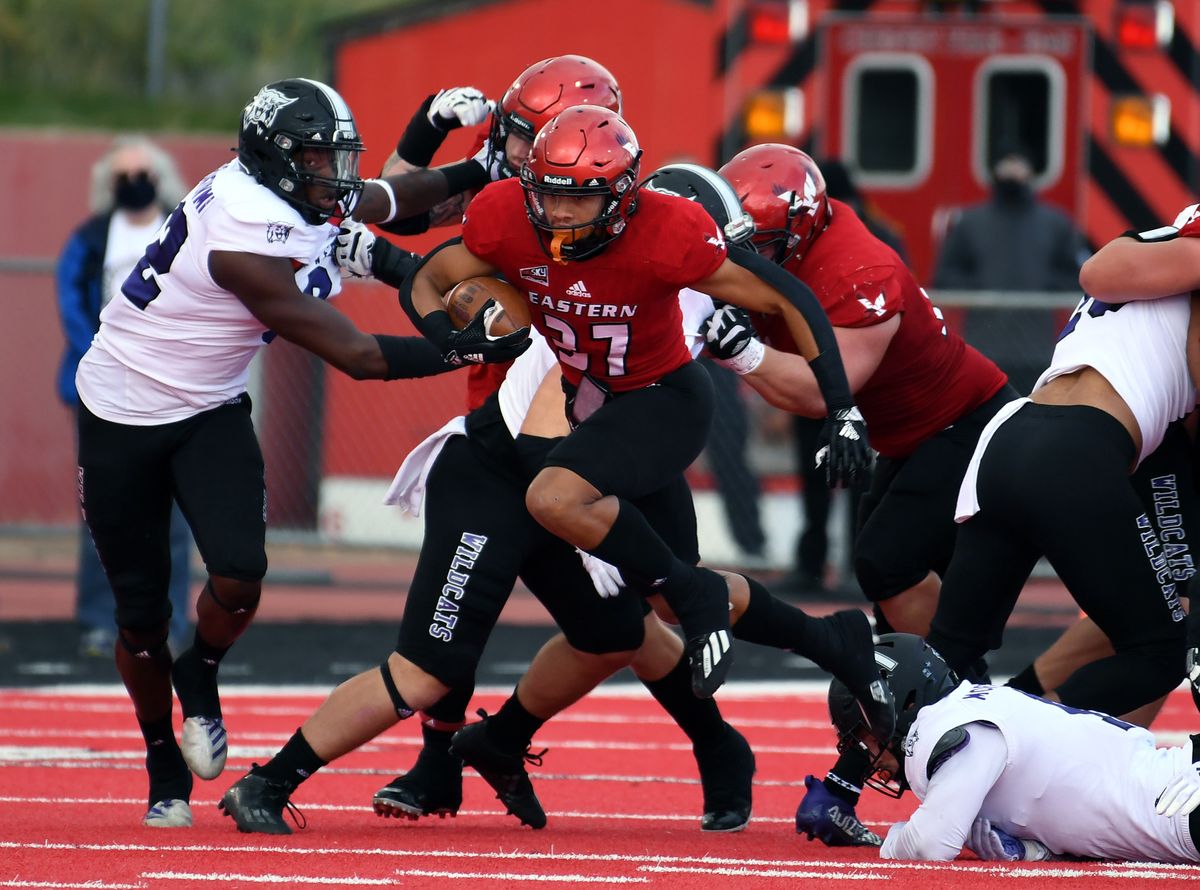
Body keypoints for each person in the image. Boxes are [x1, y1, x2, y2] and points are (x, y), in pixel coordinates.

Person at [219, 162, 887, 837]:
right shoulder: (639, 280)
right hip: (498, 474)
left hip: (570, 473)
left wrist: (817, 398)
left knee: (623, 627)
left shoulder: (667, 297)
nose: (730, 269)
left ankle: (510, 739)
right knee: (428, 670)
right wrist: (608, 522)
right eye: (723, 250)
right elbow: (544, 432)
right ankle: (269, 781)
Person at [74, 78, 462, 829]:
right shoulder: (244, 234)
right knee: (141, 614)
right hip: (122, 410)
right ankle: (162, 758)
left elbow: (392, 199)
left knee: (240, 574)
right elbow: (358, 357)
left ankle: (204, 668)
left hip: (209, 405)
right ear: (277, 158)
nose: (334, 173)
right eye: (319, 156)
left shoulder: (286, 194)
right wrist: (462, 350)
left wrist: (477, 169)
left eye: (334, 156)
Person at [395, 107, 873, 701]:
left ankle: (483, 743)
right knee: (665, 597)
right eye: (551, 195)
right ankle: (831, 642)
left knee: (644, 582)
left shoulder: (678, 255)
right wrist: (449, 334)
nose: (561, 213)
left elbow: (782, 305)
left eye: (579, 199)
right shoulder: (532, 230)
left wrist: (834, 404)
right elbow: (433, 283)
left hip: (635, 419)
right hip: (536, 438)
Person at [707, 144, 1014, 846]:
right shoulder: (796, 241)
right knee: (886, 613)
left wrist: (741, 350)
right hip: (907, 436)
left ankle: (963, 687)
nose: (751, 258)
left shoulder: (857, 267)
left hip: (967, 425)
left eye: (766, 245)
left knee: (884, 563)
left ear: (804, 227)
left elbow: (822, 389)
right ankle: (930, 702)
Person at [923, 205, 1200, 728]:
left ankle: (840, 784)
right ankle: (1018, 740)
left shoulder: (1152, 253)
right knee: (1161, 651)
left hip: (1011, 437)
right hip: (1081, 449)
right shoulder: (1177, 262)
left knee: (948, 656)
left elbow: (1099, 271)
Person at [342, 55, 623, 412]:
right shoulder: (505, 157)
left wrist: (380, 259)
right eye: (514, 132)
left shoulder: (584, 204)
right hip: (498, 388)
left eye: (533, 137)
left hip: (568, 382)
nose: (518, 151)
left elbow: (493, 300)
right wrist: (429, 128)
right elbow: (400, 215)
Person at [829, 633, 1200, 864]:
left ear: (900, 705)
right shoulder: (973, 704)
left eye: (865, 737)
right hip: (1177, 791)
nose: (868, 756)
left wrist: (893, 840)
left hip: (1181, 804)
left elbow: (930, 846)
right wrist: (1030, 850)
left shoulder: (947, 729)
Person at [55, 135, 194, 655]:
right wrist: (100, 354)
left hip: (174, 387)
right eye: (122, 176)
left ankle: (173, 623)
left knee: (174, 511)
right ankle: (98, 618)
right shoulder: (91, 239)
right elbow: (69, 296)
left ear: (161, 178)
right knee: (104, 507)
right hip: (102, 386)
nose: (134, 184)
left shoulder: (184, 231)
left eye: (143, 173)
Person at [784, 158, 906, 596]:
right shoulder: (881, 233)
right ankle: (846, 564)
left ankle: (820, 564)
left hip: (831, 375)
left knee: (833, 477)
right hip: (843, 378)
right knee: (854, 478)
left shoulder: (810, 240)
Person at [932, 146, 1089, 395]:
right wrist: (982, 289)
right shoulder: (970, 223)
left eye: (1019, 165)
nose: (1013, 172)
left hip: (1038, 350)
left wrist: (1041, 287)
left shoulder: (1056, 224)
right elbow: (945, 278)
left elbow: (1077, 278)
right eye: (1007, 166)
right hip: (983, 347)